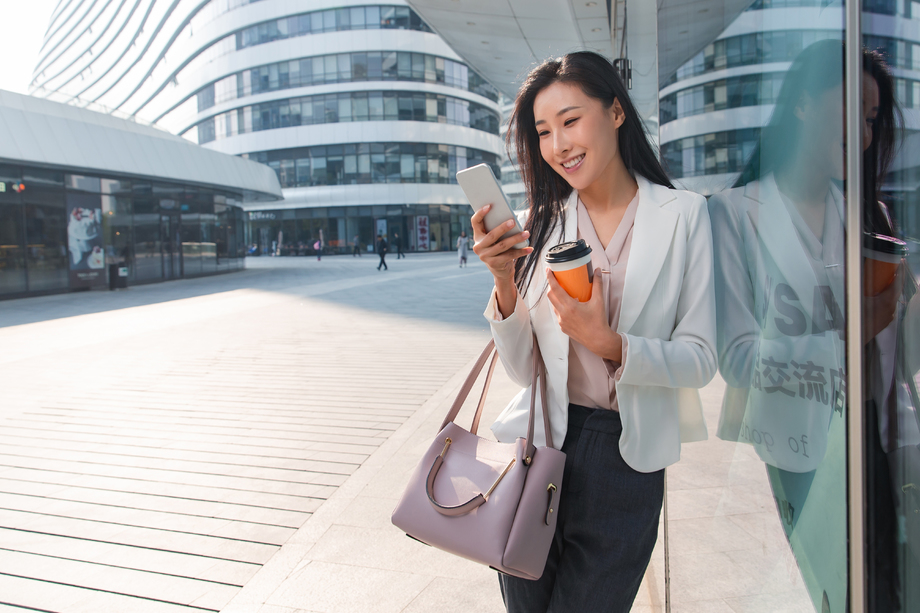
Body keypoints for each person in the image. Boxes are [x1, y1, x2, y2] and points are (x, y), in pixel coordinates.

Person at [472, 51, 716, 612]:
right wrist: (504, 281)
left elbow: (701, 358)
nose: (558, 144)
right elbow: (524, 371)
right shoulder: (539, 224)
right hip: (540, 445)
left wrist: (610, 344)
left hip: (627, 456)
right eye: (543, 131)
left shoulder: (684, 216)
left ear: (616, 113)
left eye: (571, 120)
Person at [709, 41, 911, 611]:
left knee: (884, 590)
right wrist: (852, 332)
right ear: (801, 103)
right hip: (797, 442)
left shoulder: (869, 218)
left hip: (873, 436)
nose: (865, 134)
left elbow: (897, 353)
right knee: (835, 592)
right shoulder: (734, 214)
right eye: (854, 110)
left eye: (872, 119)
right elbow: (738, 358)